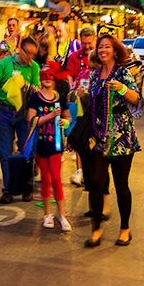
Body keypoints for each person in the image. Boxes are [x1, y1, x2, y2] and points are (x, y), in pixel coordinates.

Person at [83, 33, 143, 248]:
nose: (103, 50)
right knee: (96, 182)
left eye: (107, 47)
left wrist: (123, 89)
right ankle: (96, 228)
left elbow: (137, 100)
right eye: (100, 47)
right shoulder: (94, 75)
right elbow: (91, 104)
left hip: (121, 136)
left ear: (115, 51)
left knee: (121, 184)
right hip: (100, 135)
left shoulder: (123, 73)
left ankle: (125, 228)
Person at [0, 36, 41, 204]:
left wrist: (27, 86)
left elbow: (37, 89)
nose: (30, 57)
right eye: (28, 53)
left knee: (27, 151)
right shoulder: (5, 63)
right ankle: (8, 189)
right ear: (20, 49)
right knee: (5, 152)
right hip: (5, 111)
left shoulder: (34, 67)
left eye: (33, 54)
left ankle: (27, 187)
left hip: (24, 113)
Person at [27, 63, 71, 232]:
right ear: (40, 78)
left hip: (56, 145)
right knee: (45, 179)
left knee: (56, 179)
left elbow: (68, 117)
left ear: (55, 78)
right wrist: (50, 116)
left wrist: (64, 122)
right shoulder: (35, 98)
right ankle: (47, 214)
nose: (47, 79)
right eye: (44, 75)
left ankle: (62, 215)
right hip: (40, 145)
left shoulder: (60, 98)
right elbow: (31, 120)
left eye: (50, 75)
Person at [63, 25, 96, 188]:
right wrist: (73, 89)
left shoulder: (99, 56)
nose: (87, 46)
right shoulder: (74, 57)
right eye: (84, 43)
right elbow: (70, 75)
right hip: (79, 101)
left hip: (96, 102)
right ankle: (80, 170)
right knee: (79, 134)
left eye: (90, 43)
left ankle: (92, 170)